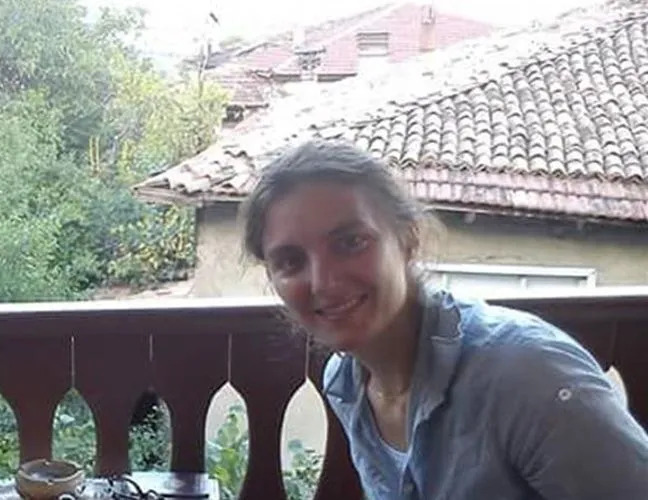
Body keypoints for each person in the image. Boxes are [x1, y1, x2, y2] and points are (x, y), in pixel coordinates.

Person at [238, 139, 648, 499]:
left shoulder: (527, 377)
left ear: (408, 239)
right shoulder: (346, 383)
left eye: (351, 242)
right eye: (290, 261)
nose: (324, 282)